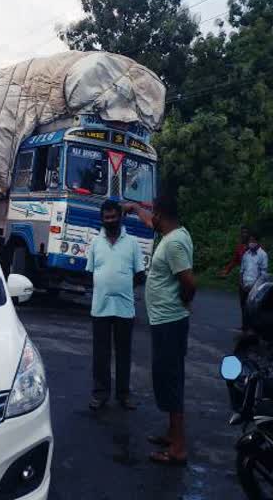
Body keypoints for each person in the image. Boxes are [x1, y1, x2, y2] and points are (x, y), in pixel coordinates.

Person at [125, 193, 196, 466]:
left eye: (152, 212)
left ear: (161, 214)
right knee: (165, 377)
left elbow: (190, 283)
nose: (150, 216)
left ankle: (178, 448)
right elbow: (148, 222)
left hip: (170, 322)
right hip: (164, 321)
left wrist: (184, 302)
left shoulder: (175, 243)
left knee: (170, 380)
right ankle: (171, 433)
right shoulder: (171, 233)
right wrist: (133, 208)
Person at [85, 199, 145, 411]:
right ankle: (100, 394)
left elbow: (140, 275)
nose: (110, 220)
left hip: (124, 308)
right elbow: (91, 271)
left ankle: (124, 395)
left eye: (113, 216)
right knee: (100, 354)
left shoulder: (133, 243)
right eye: (106, 217)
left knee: (123, 353)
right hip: (100, 307)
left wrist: (123, 287)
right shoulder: (95, 243)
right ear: (102, 219)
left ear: (120, 217)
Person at [219, 227, 250, 329]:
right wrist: (226, 270)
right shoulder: (239, 247)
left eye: (246, 232)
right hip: (243, 279)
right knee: (243, 303)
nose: (244, 234)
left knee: (253, 303)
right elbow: (235, 261)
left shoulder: (255, 247)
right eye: (243, 233)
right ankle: (245, 325)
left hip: (255, 279)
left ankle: (252, 325)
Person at [239, 234, 269, 331]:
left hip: (255, 287)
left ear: (257, 242)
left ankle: (253, 328)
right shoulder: (246, 254)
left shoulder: (263, 255)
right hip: (244, 285)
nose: (250, 243)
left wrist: (254, 286)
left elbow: (263, 273)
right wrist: (241, 283)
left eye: (253, 241)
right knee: (244, 307)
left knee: (253, 308)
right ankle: (245, 327)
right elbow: (242, 270)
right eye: (249, 241)